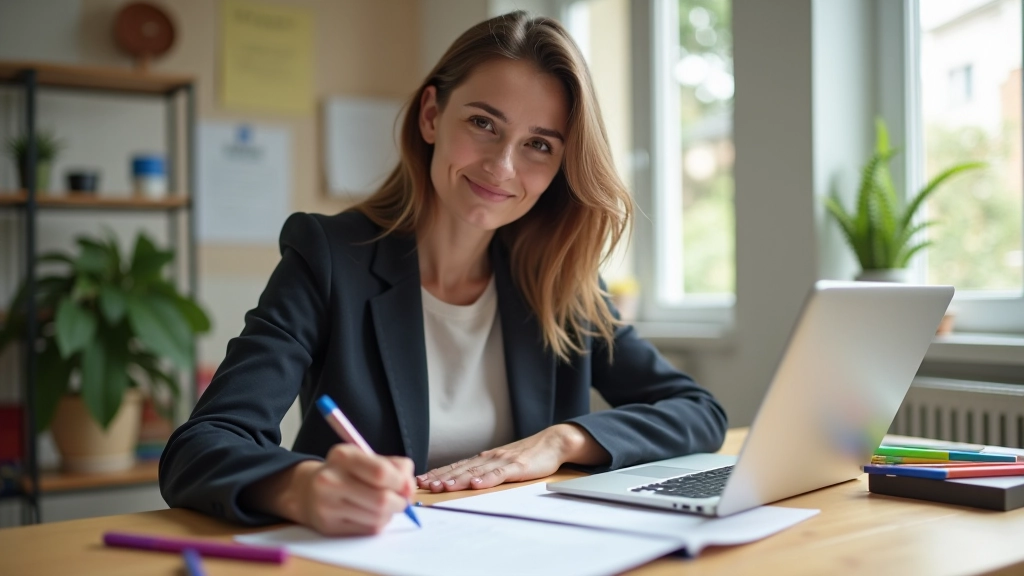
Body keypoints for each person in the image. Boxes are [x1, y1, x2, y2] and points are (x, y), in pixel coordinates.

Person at [159, 10, 727, 536]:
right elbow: (201, 446)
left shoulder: (563, 283)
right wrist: (299, 486)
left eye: (538, 145)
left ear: (560, 166)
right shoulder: (329, 256)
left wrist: (563, 440)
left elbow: (699, 413)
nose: (501, 166)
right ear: (431, 114)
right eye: (483, 123)